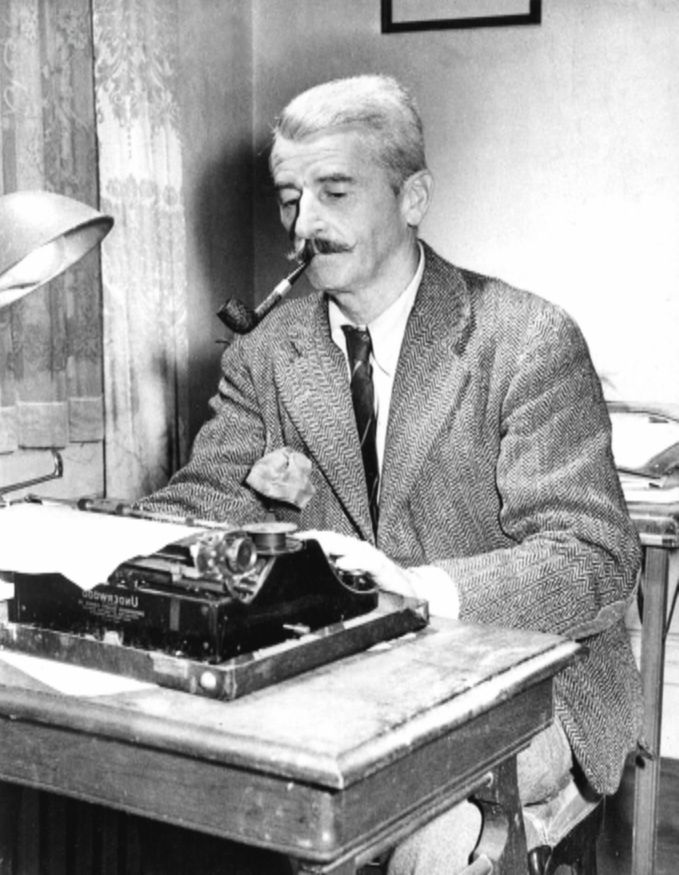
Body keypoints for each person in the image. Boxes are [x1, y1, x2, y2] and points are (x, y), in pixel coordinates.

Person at [140, 74, 643, 873]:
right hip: (347, 686)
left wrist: (415, 589)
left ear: (413, 198)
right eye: (289, 199)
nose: (303, 225)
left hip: (529, 680)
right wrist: (117, 542)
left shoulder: (526, 338)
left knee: (423, 840)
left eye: (334, 192)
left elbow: (594, 558)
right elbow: (205, 496)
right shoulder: (265, 352)